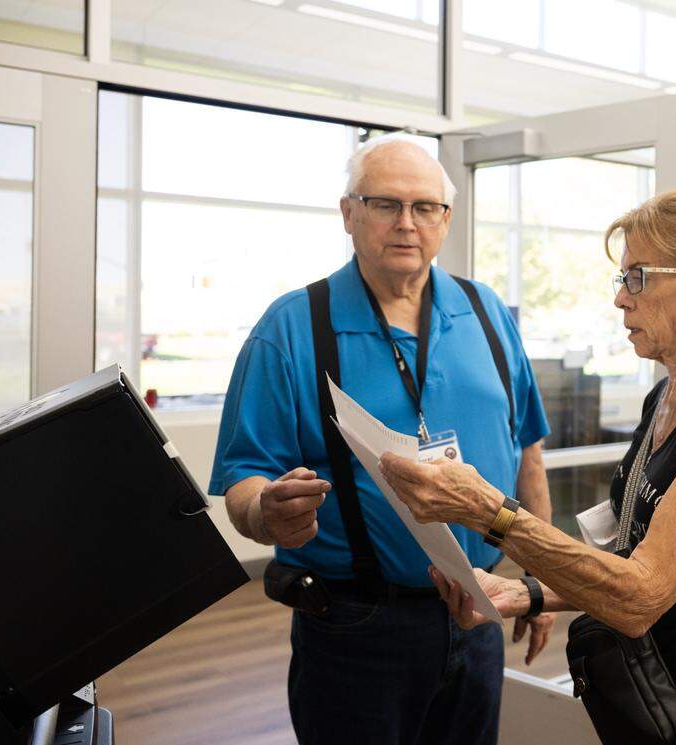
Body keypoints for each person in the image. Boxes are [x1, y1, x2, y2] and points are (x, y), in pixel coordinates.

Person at [380, 189, 676, 744]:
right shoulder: (667, 399)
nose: (622, 301)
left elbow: (639, 594)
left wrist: (490, 511)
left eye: (638, 278)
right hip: (654, 691)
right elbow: (629, 553)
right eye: (621, 280)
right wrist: (525, 593)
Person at [208, 136, 555, 745]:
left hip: (479, 609)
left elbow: (528, 447)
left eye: (425, 207)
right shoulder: (290, 329)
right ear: (348, 213)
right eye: (385, 204)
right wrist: (267, 512)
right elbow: (243, 480)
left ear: (445, 220)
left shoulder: (488, 313)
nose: (407, 223)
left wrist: (540, 579)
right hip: (355, 628)